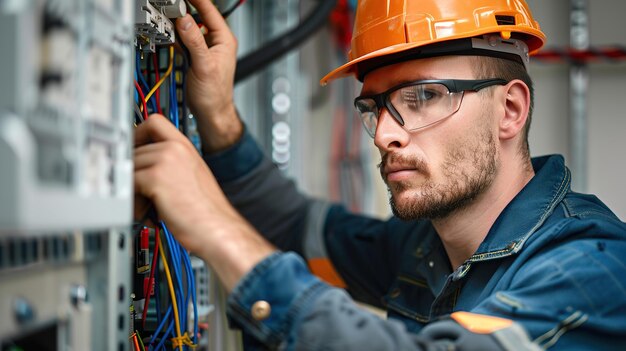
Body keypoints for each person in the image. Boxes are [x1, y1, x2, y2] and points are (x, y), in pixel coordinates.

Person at [133, 0, 626, 349]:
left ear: (510, 110)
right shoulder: (421, 249)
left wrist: (218, 231)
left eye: (425, 96)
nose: (384, 134)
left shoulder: (593, 272)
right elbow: (299, 229)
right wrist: (218, 118)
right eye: (375, 107)